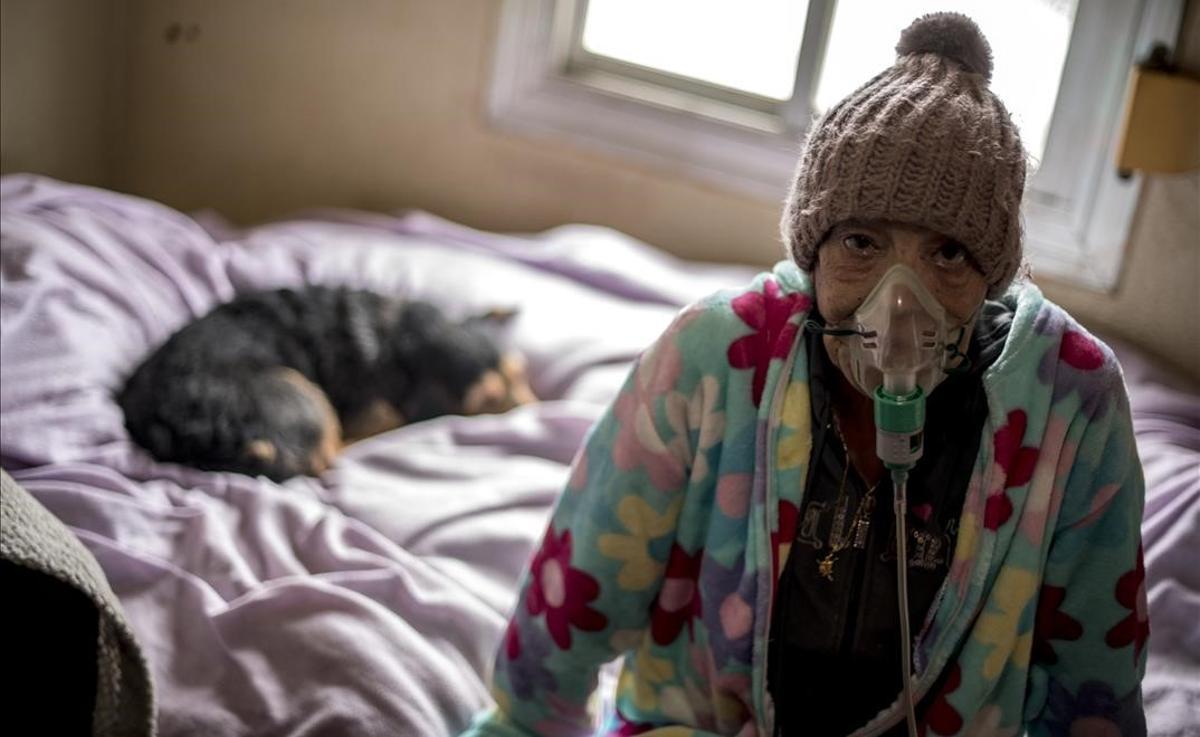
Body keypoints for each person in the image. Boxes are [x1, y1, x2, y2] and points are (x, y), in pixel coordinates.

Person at [463, 12, 1147, 737]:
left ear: (994, 277)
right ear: (813, 252)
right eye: (860, 241)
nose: (898, 301)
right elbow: (581, 586)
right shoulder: (716, 359)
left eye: (948, 254)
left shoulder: (1072, 407)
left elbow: (1093, 686)